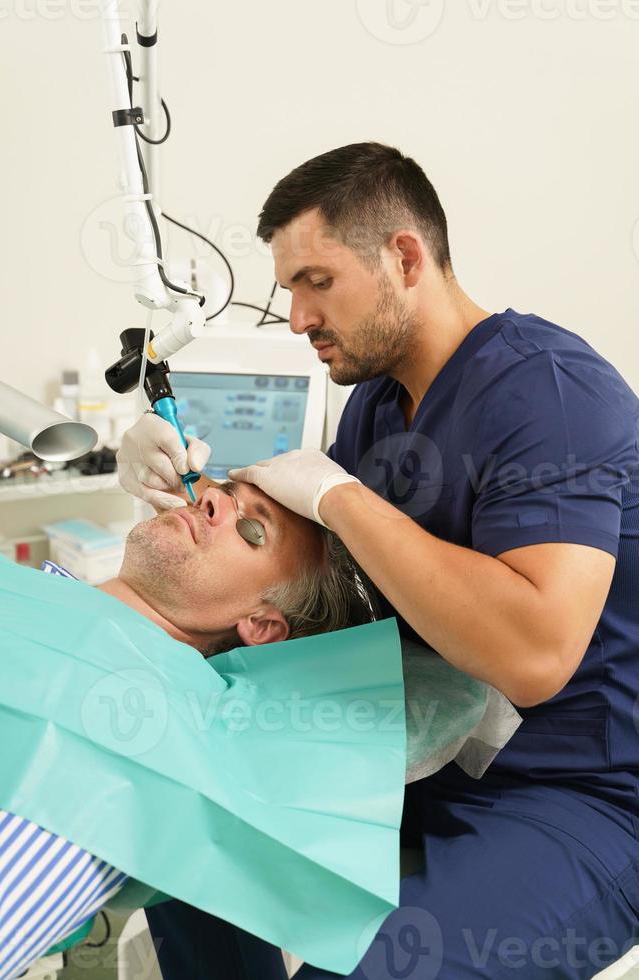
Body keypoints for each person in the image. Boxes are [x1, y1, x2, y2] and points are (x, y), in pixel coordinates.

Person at [120, 142, 639, 978]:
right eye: (289, 288)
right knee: (188, 841)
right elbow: (327, 582)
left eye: (315, 282)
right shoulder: (376, 408)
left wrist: (341, 500)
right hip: (430, 759)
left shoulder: (547, 394)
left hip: (585, 792)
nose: (296, 317)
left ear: (404, 258)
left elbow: (536, 656)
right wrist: (186, 488)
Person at [0, 473, 373, 980]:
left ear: (260, 625)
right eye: (228, 494)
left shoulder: (133, 744)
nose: (210, 497)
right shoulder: (26, 589)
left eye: (253, 529)